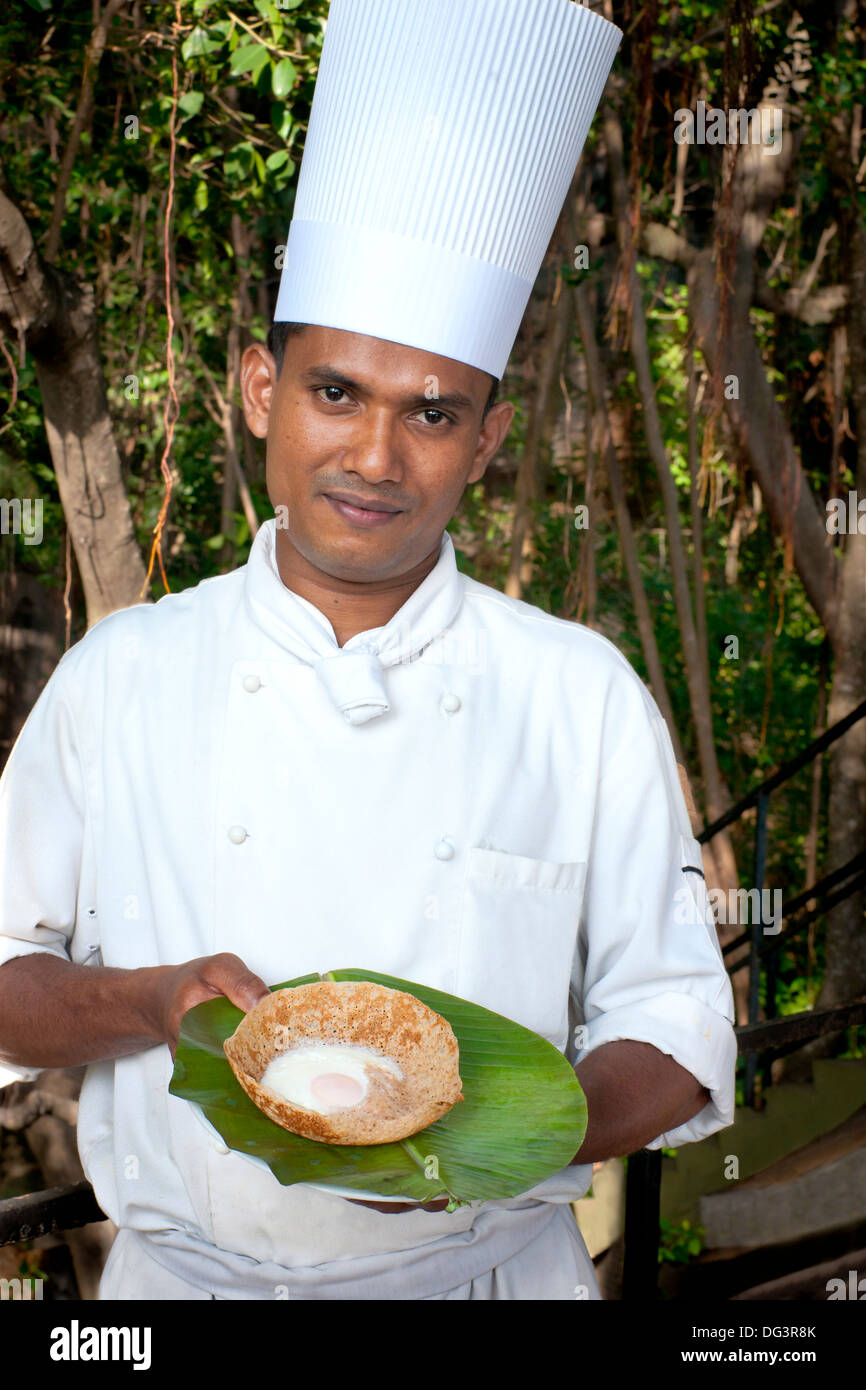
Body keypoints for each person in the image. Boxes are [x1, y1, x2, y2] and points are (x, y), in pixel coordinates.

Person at [0, 0, 736, 1299]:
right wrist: (155, 1000)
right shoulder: (121, 677)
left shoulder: (575, 694)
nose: (375, 459)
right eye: (334, 393)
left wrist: (503, 1127)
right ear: (257, 392)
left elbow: (673, 1023)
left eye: (432, 413)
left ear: (490, 442)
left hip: (487, 1281)